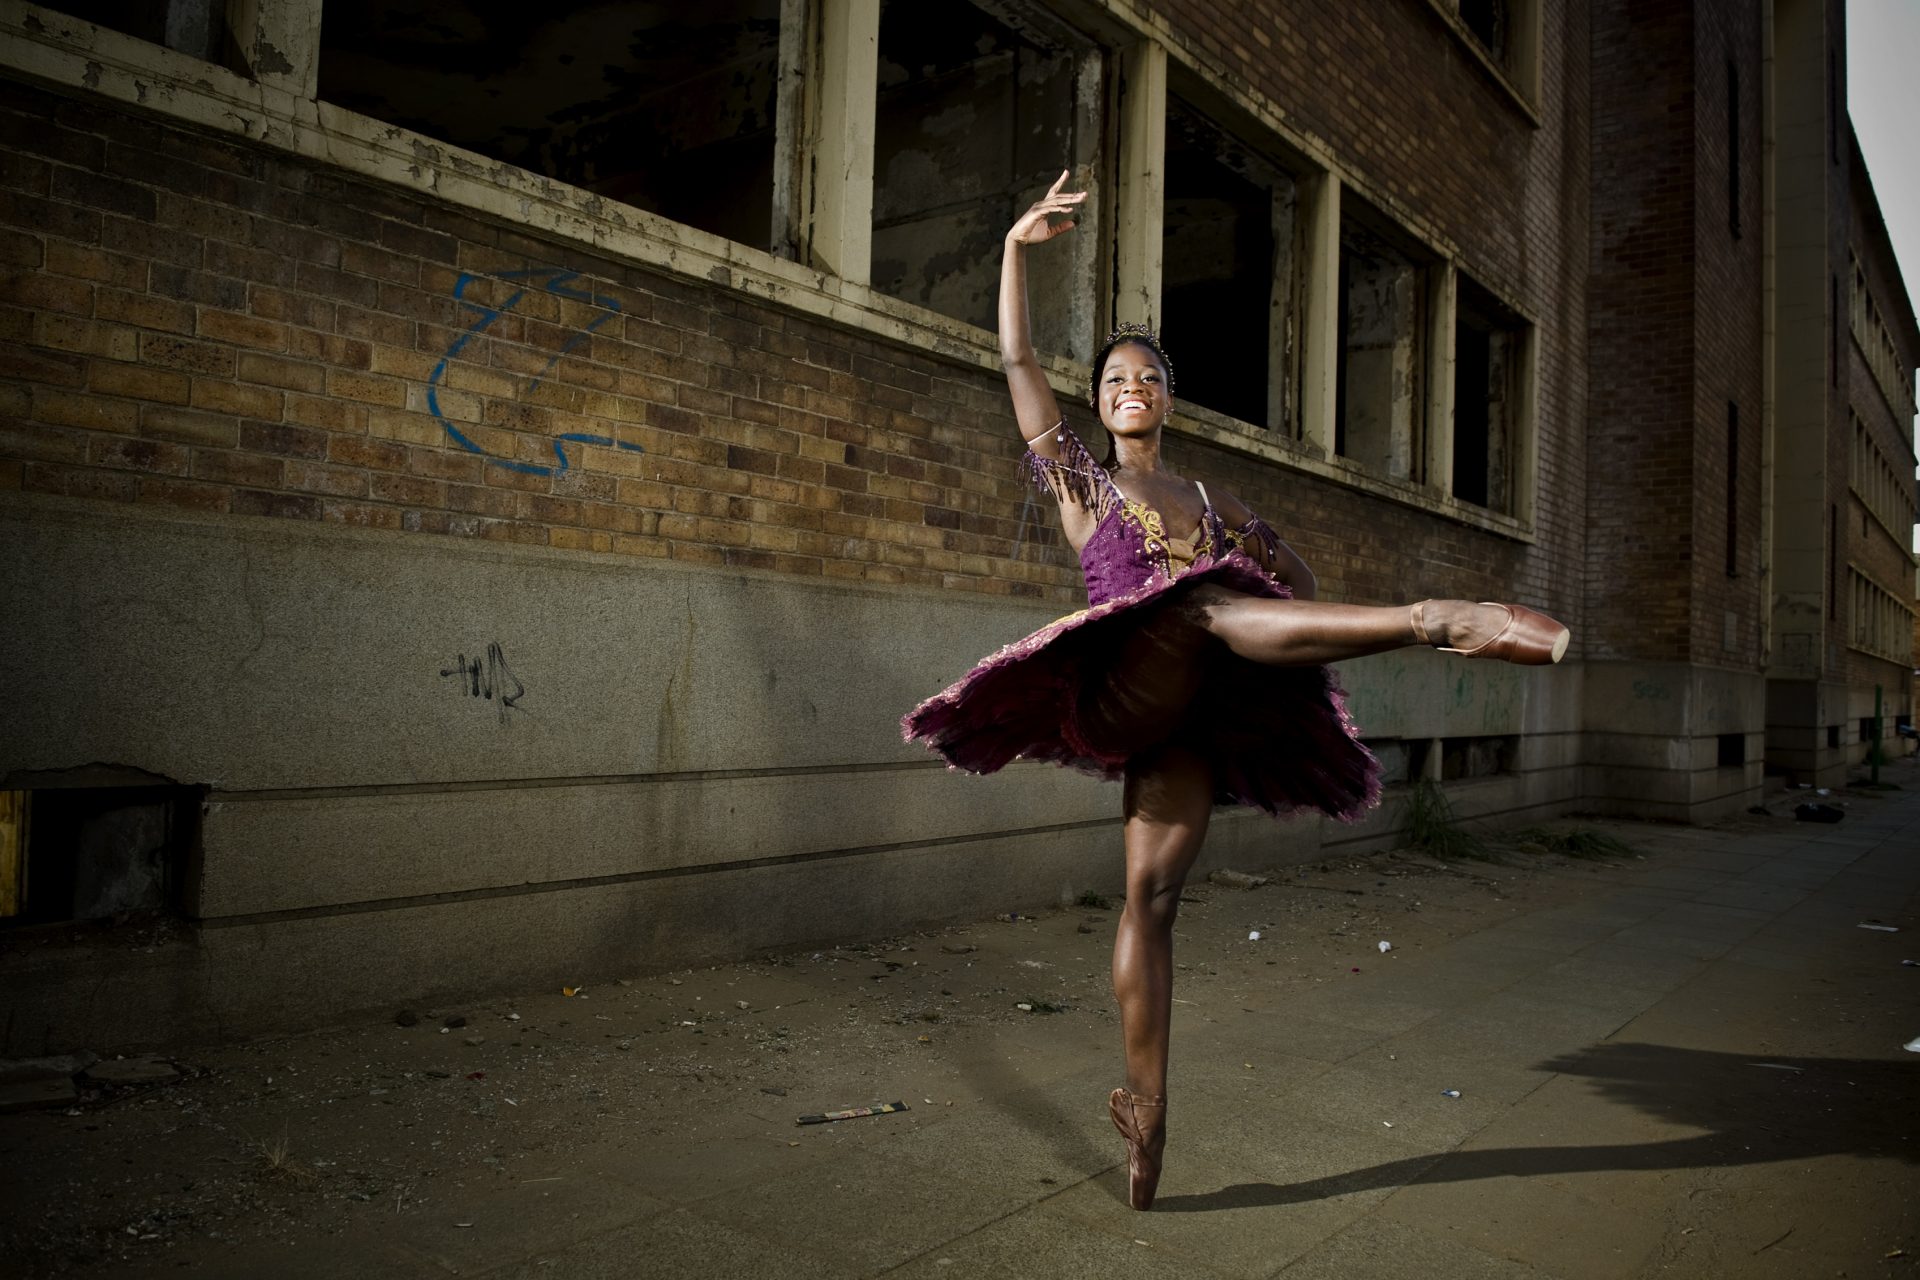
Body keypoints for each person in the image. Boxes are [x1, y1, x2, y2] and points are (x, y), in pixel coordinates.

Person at [901, 171, 1568, 1212]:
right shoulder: (1084, 485)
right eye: (1114, 377)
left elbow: (1292, 583)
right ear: (1100, 401)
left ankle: (1148, 1114)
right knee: (1192, 606)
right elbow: (1016, 361)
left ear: (1168, 397)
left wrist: (1272, 652)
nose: (1130, 386)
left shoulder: (1219, 502)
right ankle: (1435, 620)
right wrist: (1015, 250)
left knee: (1152, 899)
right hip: (1122, 693)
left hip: (1194, 720)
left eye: (1147, 376)